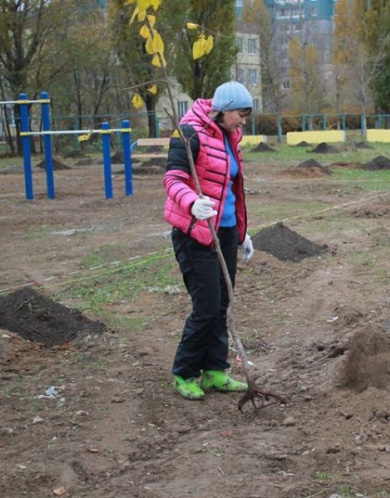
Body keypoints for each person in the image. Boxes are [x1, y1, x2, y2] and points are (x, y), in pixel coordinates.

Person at [163, 81, 256, 400]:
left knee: (222, 305)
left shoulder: (231, 137)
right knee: (206, 306)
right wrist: (191, 203)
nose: (243, 121)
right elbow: (172, 179)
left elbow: (233, 189)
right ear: (223, 110)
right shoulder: (188, 133)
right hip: (195, 233)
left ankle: (215, 371)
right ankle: (184, 372)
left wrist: (242, 234)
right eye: (240, 114)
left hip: (225, 233)